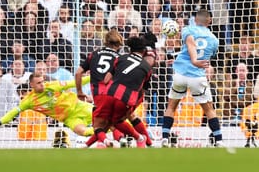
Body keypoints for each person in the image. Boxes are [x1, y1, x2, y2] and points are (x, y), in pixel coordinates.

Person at [161, 9, 224, 147]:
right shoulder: (214, 40)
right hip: (198, 76)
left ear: (195, 19)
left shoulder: (187, 29)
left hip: (181, 74)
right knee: (209, 110)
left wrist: (191, 58)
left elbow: (190, 44)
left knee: (171, 106)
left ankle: (165, 138)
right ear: (210, 21)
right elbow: (207, 56)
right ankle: (219, 140)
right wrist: (196, 61)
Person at [90, 36, 155, 147]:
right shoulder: (147, 68)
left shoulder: (121, 58)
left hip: (111, 93)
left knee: (104, 123)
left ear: (130, 49)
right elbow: (143, 89)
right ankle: (147, 142)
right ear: (143, 52)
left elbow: (106, 79)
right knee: (125, 118)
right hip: (130, 98)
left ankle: (108, 141)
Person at [0, 73, 93, 138]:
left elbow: (74, 83)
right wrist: (0, 122)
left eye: (43, 81)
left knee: (106, 119)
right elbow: (14, 112)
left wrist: (95, 76)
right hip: (69, 119)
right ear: (32, 85)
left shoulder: (52, 86)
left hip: (79, 107)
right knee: (85, 132)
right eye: (39, 83)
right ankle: (105, 138)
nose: (42, 84)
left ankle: (106, 139)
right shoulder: (29, 101)